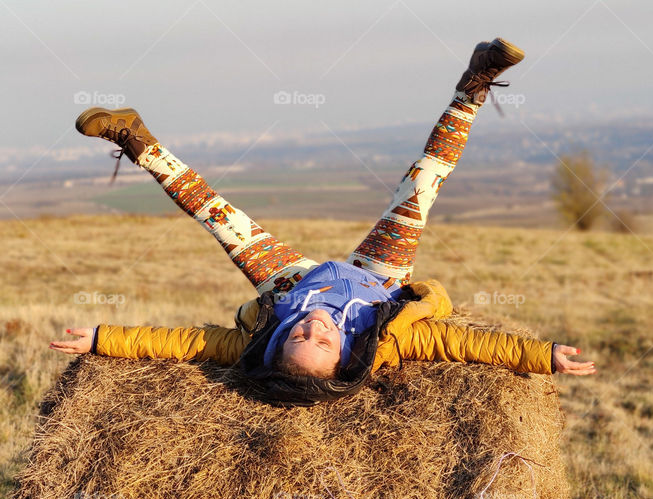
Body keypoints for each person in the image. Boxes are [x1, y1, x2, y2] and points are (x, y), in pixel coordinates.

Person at [50, 38, 596, 406]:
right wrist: (544, 357)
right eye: (323, 342)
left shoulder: (263, 333)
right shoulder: (385, 340)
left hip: (290, 280)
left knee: (216, 214)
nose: (314, 327)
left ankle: (133, 135)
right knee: (423, 184)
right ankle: (475, 82)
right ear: (345, 358)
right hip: (377, 279)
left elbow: (177, 343)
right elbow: (471, 347)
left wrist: (100, 337)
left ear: (279, 341)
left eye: (299, 335)